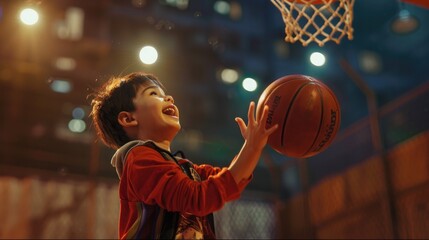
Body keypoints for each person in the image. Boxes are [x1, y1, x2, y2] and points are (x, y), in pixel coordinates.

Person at [90, 72, 277, 239]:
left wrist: (254, 146)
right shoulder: (139, 160)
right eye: (154, 94)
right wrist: (251, 147)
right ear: (128, 119)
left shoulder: (183, 168)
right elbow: (198, 198)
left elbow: (232, 180)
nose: (169, 98)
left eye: (165, 94)